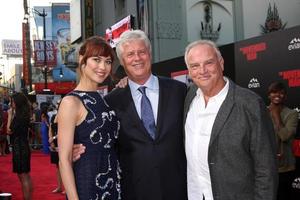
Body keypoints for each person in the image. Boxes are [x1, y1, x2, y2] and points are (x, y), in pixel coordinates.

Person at [73, 30, 188, 200]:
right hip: (133, 190)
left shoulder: (179, 91)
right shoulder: (111, 102)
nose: (137, 58)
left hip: (178, 188)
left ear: (150, 54)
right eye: (130, 54)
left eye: (142, 52)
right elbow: (104, 141)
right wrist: (76, 149)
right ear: (122, 61)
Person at [183, 40, 278, 200]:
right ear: (190, 72)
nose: (202, 71)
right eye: (195, 66)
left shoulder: (250, 103)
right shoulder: (190, 96)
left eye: (209, 62)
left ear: (221, 63)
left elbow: (266, 168)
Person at [57, 36, 121, 200]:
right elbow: (64, 160)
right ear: (82, 60)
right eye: (96, 60)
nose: (103, 67)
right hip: (88, 184)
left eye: (107, 61)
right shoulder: (71, 102)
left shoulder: (103, 99)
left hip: (112, 181)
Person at [267, 81, 298, 200]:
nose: (277, 95)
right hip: (267, 167)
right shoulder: (262, 112)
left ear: (285, 96)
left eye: (281, 93)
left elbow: (285, 136)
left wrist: (276, 116)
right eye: (274, 92)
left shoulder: (292, 114)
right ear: (269, 95)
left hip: (285, 168)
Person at [8, 92, 33, 200]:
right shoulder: (24, 114)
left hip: (20, 147)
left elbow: (9, 130)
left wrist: (9, 115)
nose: (11, 104)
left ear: (17, 102)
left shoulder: (19, 116)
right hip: (23, 146)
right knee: (25, 175)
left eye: (12, 101)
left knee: (23, 176)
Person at [48, 109, 64, 194]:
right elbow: (50, 129)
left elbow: (63, 132)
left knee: (65, 167)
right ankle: (59, 187)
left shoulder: (64, 118)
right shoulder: (53, 117)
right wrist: (51, 142)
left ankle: (66, 188)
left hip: (63, 144)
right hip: (54, 145)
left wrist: (53, 138)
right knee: (57, 167)